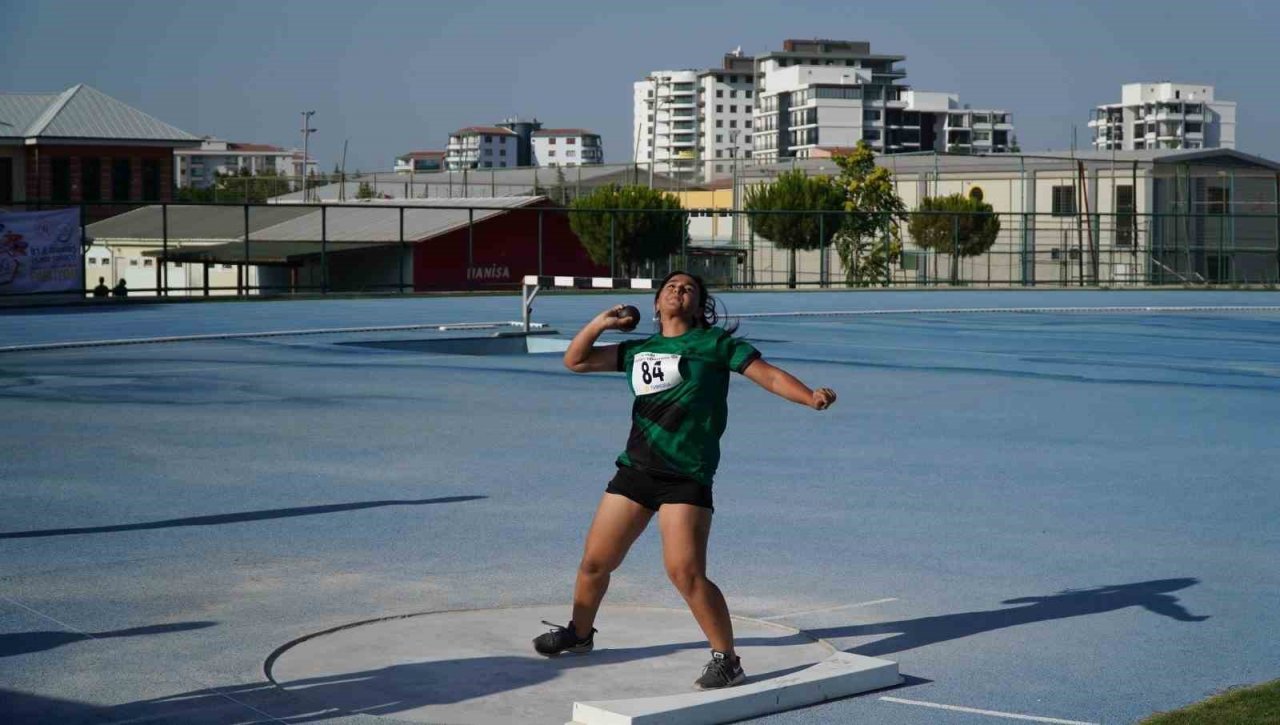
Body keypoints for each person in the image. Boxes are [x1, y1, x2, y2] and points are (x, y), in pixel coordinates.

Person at [533, 271, 837, 690]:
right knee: (594, 563)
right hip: (636, 470)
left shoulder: (717, 346)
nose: (679, 290)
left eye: (689, 288)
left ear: (700, 306)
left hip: (686, 476)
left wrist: (809, 396)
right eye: (671, 286)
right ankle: (580, 634)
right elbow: (576, 360)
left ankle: (726, 659)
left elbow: (766, 375)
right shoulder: (638, 350)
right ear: (657, 303)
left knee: (685, 572)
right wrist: (601, 322)